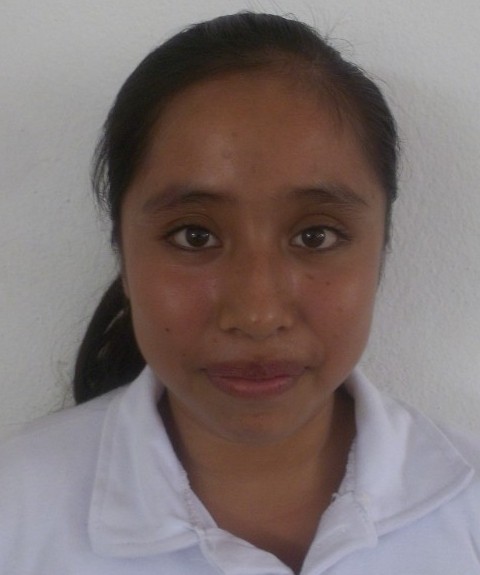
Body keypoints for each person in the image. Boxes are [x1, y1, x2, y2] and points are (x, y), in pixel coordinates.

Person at [1, 11, 479, 575]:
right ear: (122, 254)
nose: (257, 314)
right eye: (194, 236)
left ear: (382, 248)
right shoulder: (16, 511)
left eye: (316, 236)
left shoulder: (466, 505)